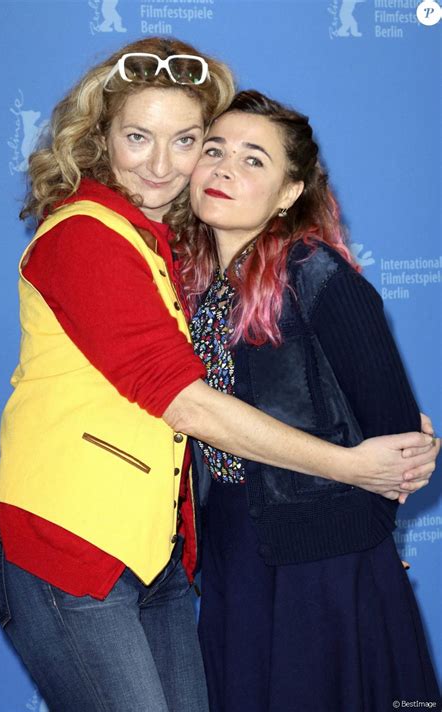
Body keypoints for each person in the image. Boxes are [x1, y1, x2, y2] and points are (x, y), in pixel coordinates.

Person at [0, 40, 437, 712]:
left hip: (186, 564)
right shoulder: (91, 237)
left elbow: (390, 437)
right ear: (101, 139)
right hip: (81, 553)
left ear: (289, 190)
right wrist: (350, 466)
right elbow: (188, 407)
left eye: (188, 140)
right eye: (139, 137)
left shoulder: (230, 266)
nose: (166, 164)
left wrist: (366, 525)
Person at [179, 89, 441, 711]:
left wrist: (356, 561)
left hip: (320, 561)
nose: (223, 169)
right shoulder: (188, 289)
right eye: (214, 150)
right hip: (228, 549)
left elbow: (399, 440)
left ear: (289, 194)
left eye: (253, 160)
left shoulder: (314, 271)